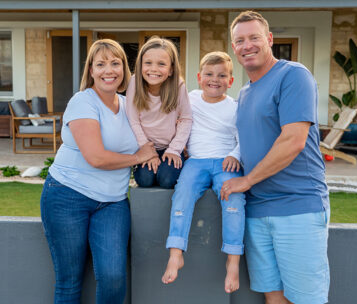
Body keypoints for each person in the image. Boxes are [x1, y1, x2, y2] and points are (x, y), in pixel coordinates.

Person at [221, 11, 330, 304]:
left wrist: (248, 180)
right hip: (257, 211)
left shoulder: (293, 76)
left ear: (269, 39)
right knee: (274, 298)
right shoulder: (244, 92)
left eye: (254, 37)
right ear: (234, 48)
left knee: (306, 300)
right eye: (239, 40)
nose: (247, 45)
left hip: (298, 207)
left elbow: (293, 141)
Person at [40, 39, 157, 304]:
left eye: (116, 63)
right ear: (91, 71)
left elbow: (157, 133)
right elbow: (96, 157)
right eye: (101, 64)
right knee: (70, 281)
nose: (109, 70)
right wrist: (137, 157)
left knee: (114, 276)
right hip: (67, 196)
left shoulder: (130, 105)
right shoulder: (83, 102)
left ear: (124, 69)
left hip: (112, 202)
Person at [161, 51, 246, 294]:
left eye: (222, 75)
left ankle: (233, 260)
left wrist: (235, 155)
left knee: (234, 199)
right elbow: (177, 122)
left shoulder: (235, 108)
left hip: (225, 162)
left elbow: (243, 139)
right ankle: (176, 253)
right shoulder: (190, 99)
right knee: (182, 195)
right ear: (199, 77)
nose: (214, 79)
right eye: (209, 74)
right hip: (195, 162)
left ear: (230, 81)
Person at [125, 37, 192, 189]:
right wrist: (147, 151)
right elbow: (133, 120)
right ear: (140, 65)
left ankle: (179, 164)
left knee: (167, 180)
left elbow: (186, 119)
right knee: (145, 180)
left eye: (161, 64)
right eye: (148, 63)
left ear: (171, 69)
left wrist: (175, 149)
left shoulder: (178, 85)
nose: (153, 69)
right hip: (145, 146)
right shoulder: (134, 83)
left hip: (170, 145)